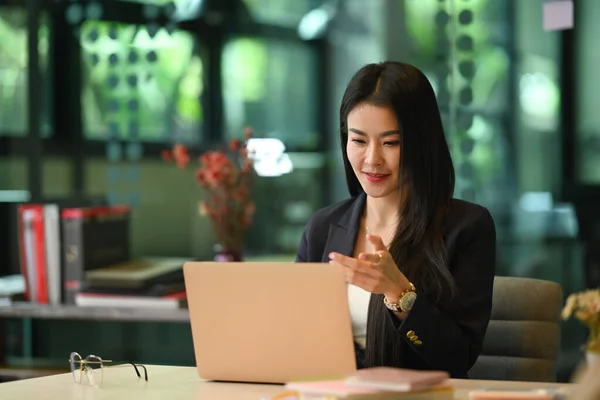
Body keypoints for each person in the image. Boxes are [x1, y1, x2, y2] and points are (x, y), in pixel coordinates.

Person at [295, 61, 496, 379]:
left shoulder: (466, 228)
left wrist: (399, 293)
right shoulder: (322, 228)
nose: (372, 159)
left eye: (391, 142)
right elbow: (295, 336)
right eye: (359, 141)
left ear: (421, 144)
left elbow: (458, 357)